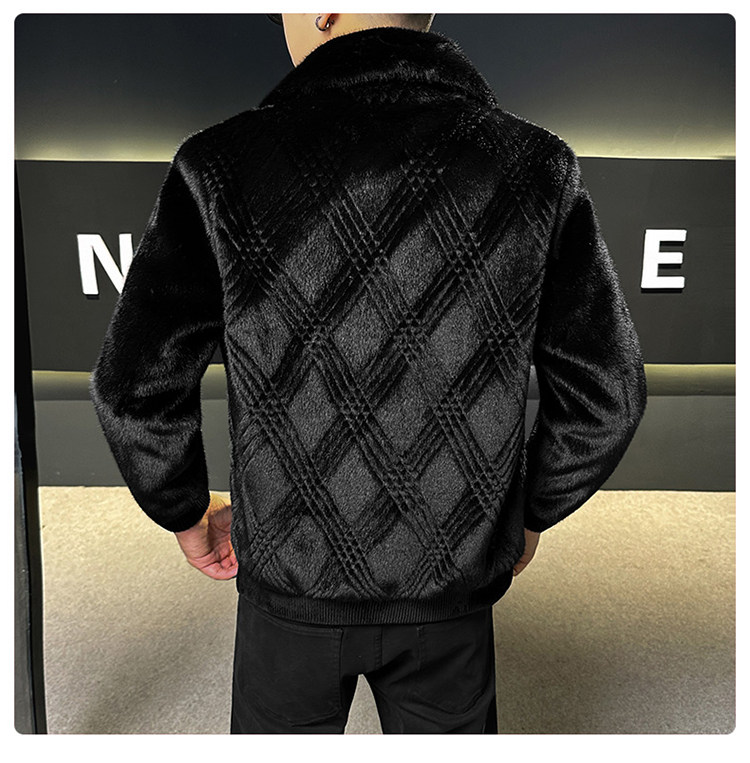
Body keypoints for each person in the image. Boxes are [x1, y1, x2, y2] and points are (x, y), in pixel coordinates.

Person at [89, 12, 648, 734]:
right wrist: (529, 511)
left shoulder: (219, 164)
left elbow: (135, 387)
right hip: (450, 587)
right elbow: (607, 395)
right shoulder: (535, 165)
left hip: (289, 586)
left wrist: (184, 510)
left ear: (320, 13)